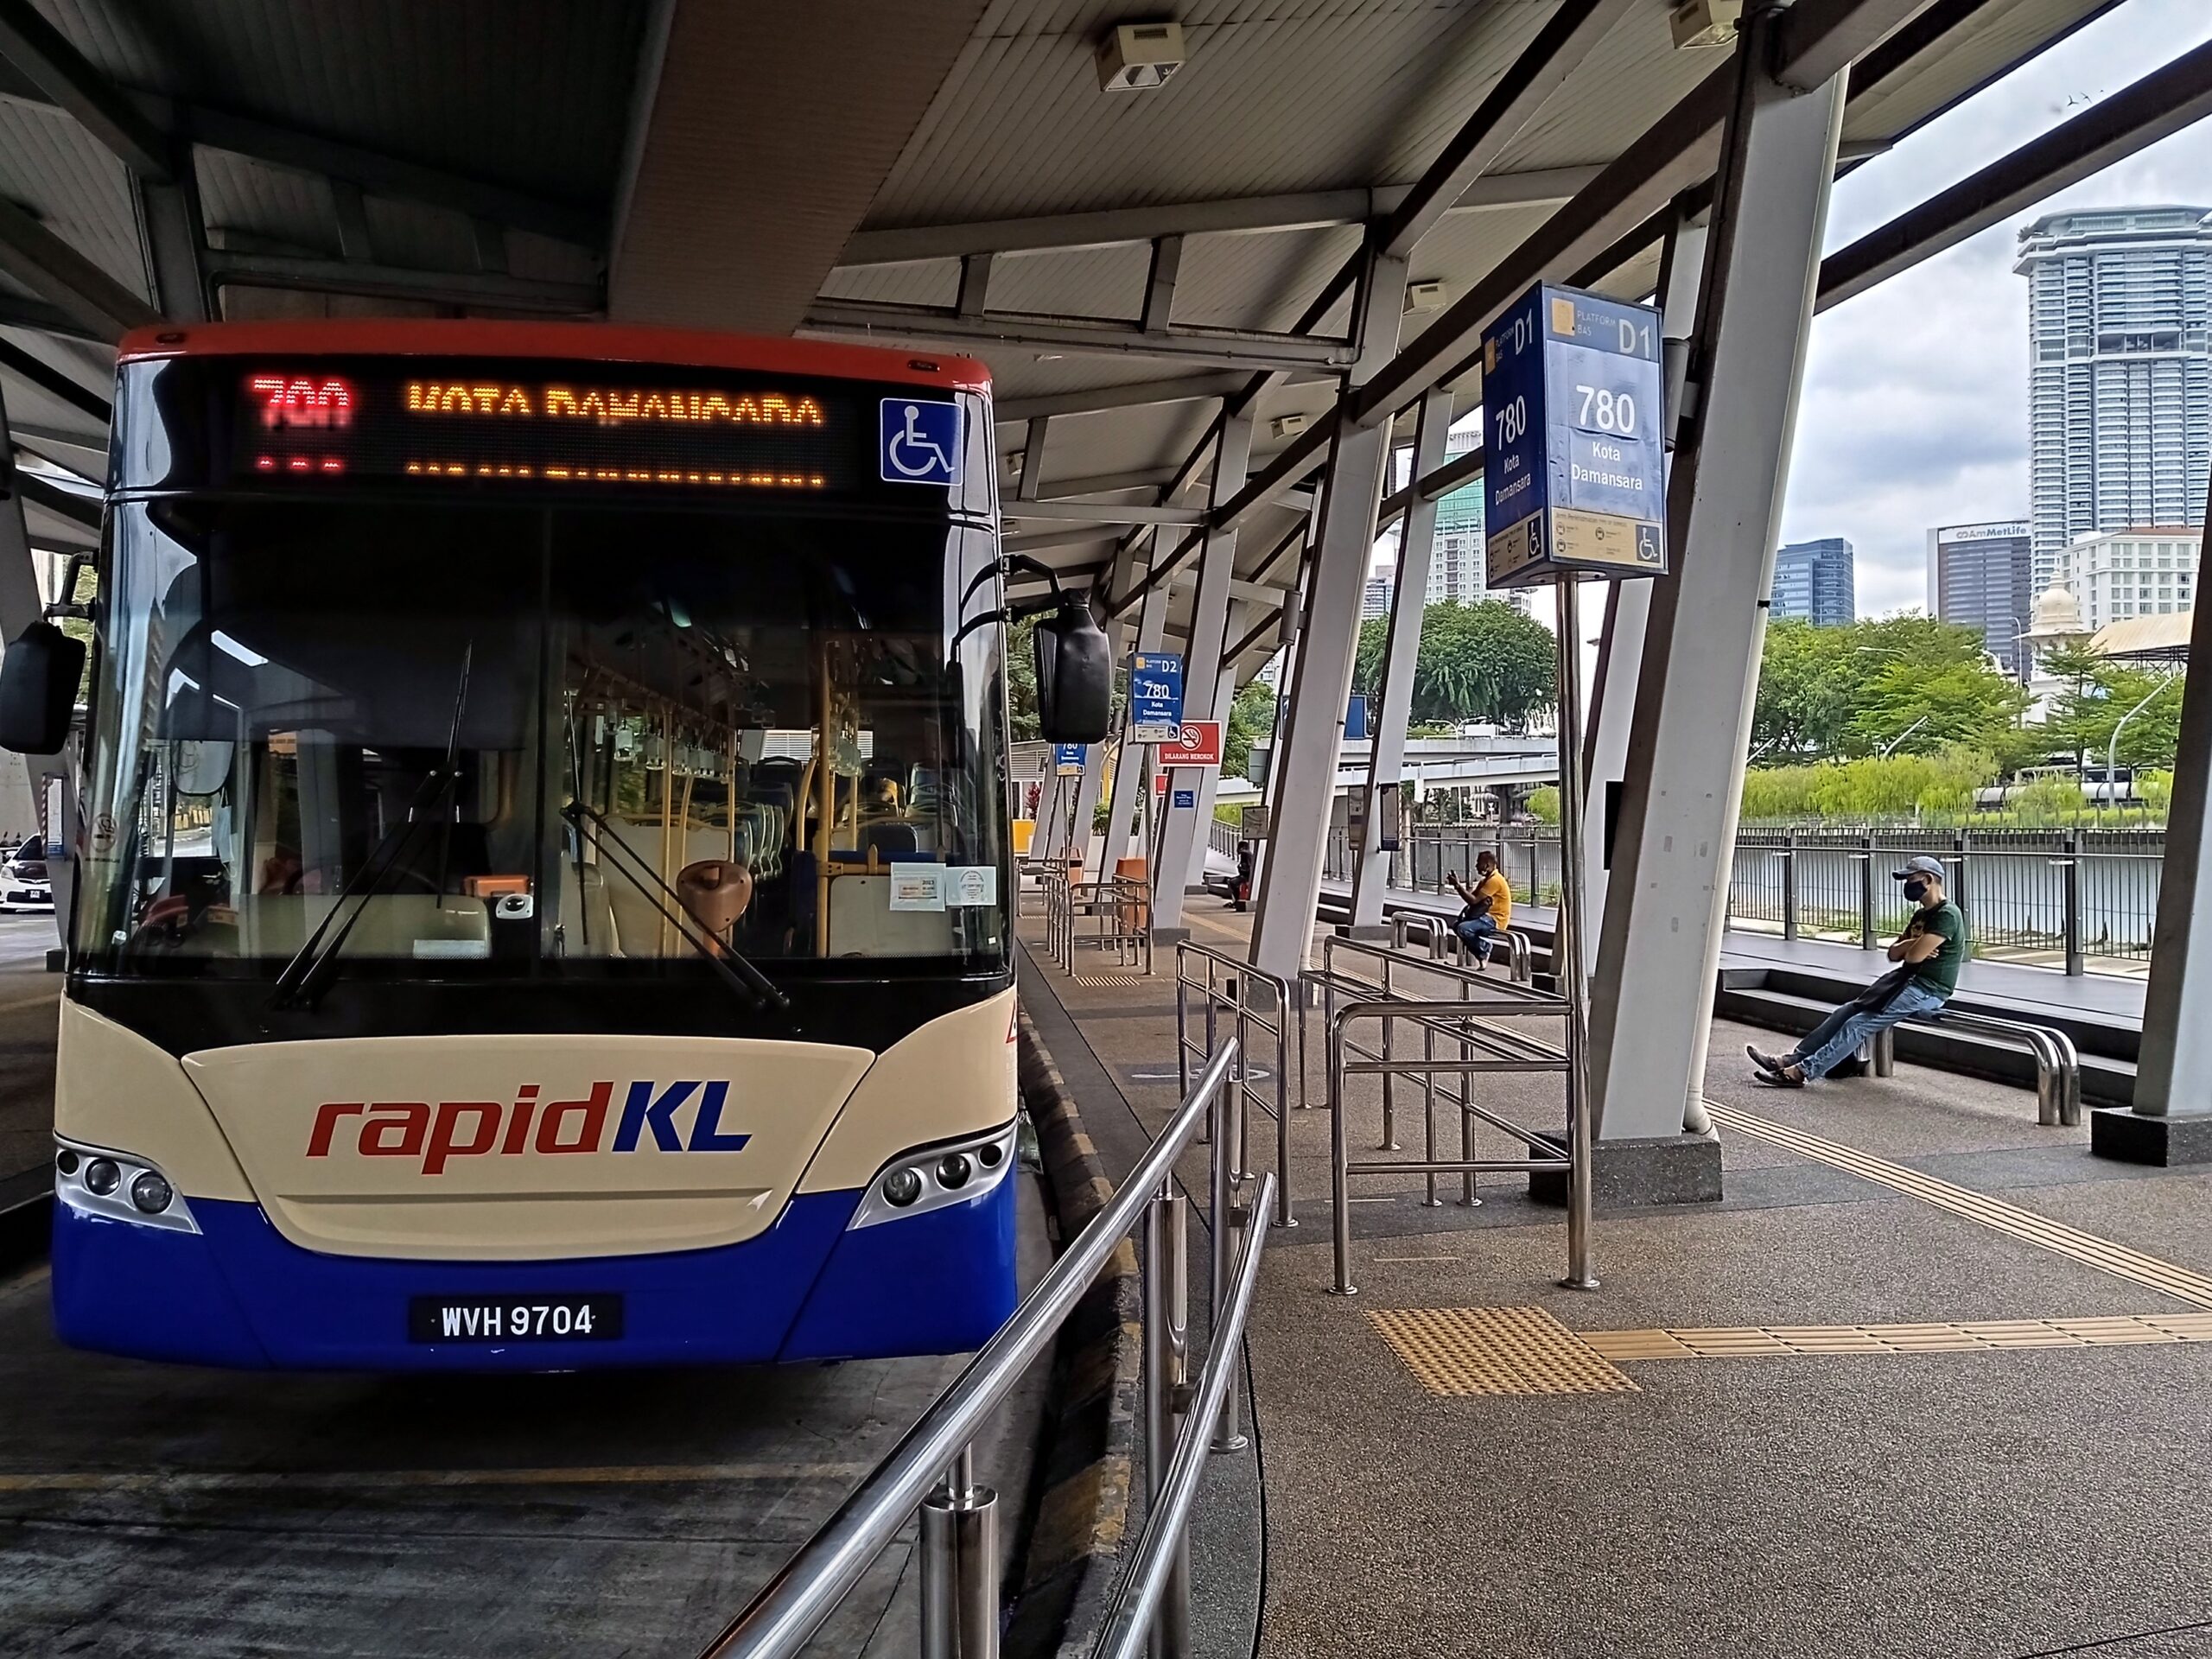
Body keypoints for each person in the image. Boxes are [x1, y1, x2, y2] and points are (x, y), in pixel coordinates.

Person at [1747, 855, 1964, 1088]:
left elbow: (1911, 957)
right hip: (1902, 982)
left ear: (1928, 879)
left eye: (1910, 879)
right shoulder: (1921, 915)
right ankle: (1790, 1059)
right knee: (1844, 1013)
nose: (1906, 885)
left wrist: (1912, 946)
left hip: (1927, 990)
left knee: (1858, 1024)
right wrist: (1917, 942)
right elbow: (1893, 954)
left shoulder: (1947, 915)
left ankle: (1801, 1073)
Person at [1446, 850, 1512, 969]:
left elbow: (1473, 900)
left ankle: (1485, 949)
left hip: (1495, 920)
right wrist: (1458, 885)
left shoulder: (1495, 880)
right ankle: (1480, 954)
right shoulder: (1485, 881)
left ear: (1487, 865)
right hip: (1484, 917)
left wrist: (1457, 886)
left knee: (1463, 928)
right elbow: (1472, 897)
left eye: (1478, 863)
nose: (1476, 866)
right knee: (1457, 925)